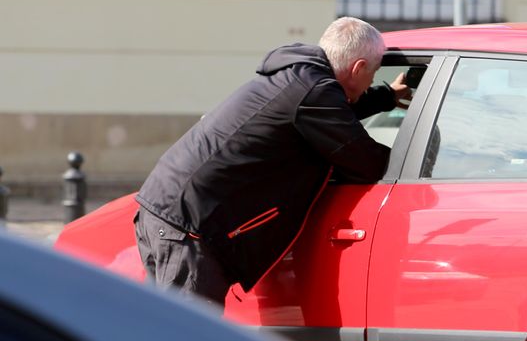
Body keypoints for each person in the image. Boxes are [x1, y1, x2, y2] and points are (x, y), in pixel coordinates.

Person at [134, 16, 409, 305]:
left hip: (162, 208)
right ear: (359, 67)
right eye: (374, 74)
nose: (371, 82)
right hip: (188, 226)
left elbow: (332, 115)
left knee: (163, 338)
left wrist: (386, 96)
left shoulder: (299, 76)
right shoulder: (313, 92)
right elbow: (367, 162)